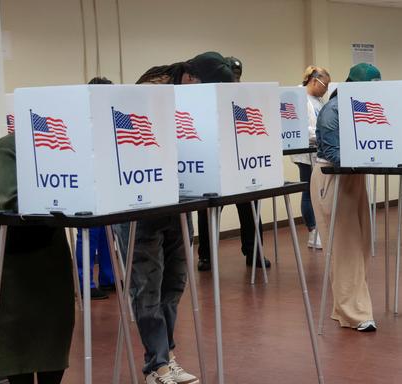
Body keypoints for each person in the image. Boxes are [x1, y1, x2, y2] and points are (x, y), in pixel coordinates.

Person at [116, 52, 236, 384]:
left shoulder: (185, 94)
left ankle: (166, 356)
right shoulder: (150, 93)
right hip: (138, 205)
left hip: (176, 202)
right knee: (148, 286)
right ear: (190, 79)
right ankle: (156, 367)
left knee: (174, 283)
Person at [0, 134, 75, 383]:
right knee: (16, 350)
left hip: (50, 260)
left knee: (55, 340)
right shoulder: (7, 147)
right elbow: (13, 198)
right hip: (8, 265)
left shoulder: (69, 149)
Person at [313, 63, 381, 332]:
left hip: (354, 177)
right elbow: (333, 152)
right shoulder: (335, 109)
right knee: (345, 249)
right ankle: (356, 314)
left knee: (361, 244)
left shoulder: (358, 106)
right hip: (333, 177)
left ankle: (345, 308)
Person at [195, 55, 269, 272]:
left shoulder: (245, 97)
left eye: (238, 76)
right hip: (215, 161)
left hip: (241, 161)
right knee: (208, 210)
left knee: (251, 208)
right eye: (232, 75)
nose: (235, 80)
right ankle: (206, 255)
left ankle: (254, 251)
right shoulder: (207, 97)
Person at [77, 76, 116, 301]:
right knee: (89, 235)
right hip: (88, 187)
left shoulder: (107, 120)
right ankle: (85, 283)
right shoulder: (84, 122)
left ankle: (108, 278)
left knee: (108, 234)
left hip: (107, 185)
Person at [292, 65, 331, 249]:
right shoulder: (299, 98)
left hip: (318, 150)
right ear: (314, 80)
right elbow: (299, 127)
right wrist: (321, 133)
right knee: (308, 192)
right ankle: (313, 232)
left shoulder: (318, 100)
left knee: (319, 192)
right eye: (325, 84)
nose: (327, 88)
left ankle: (322, 230)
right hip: (305, 152)